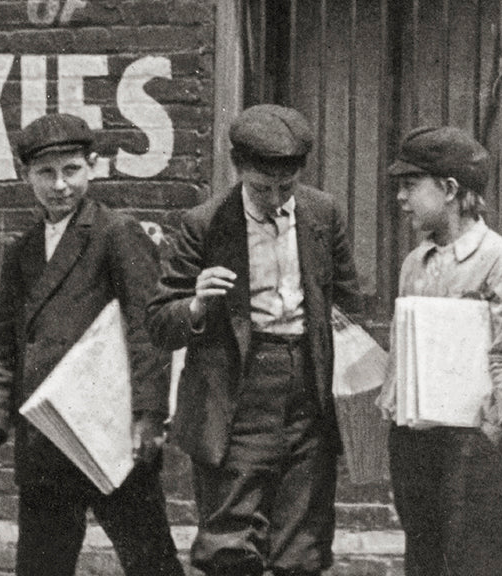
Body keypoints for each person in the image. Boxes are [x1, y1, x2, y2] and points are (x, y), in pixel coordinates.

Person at [146, 104, 363, 576]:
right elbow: (159, 322)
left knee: (301, 546)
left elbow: (350, 301)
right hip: (237, 392)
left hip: (308, 385)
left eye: (286, 187)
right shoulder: (205, 223)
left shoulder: (322, 213)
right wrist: (198, 305)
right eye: (262, 188)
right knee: (230, 543)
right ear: (238, 169)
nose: (275, 199)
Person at [0, 113, 184, 576]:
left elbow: (149, 329)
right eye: (46, 173)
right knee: (43, 565)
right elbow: (7, 345)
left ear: (93, 167)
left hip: (112, 432)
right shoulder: (22, 251)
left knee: (150, 562)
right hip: (47, 437)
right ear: (27, 177)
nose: (59, 185)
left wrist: (149, 416)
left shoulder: (115, 232)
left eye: (71, 170)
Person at [376, 126, 502, 576]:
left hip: (476, 444)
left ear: (449, 190)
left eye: (410, 186)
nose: (401, 198)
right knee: (424, 554)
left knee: (481, 556)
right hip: (416, 440)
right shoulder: (416, 262)